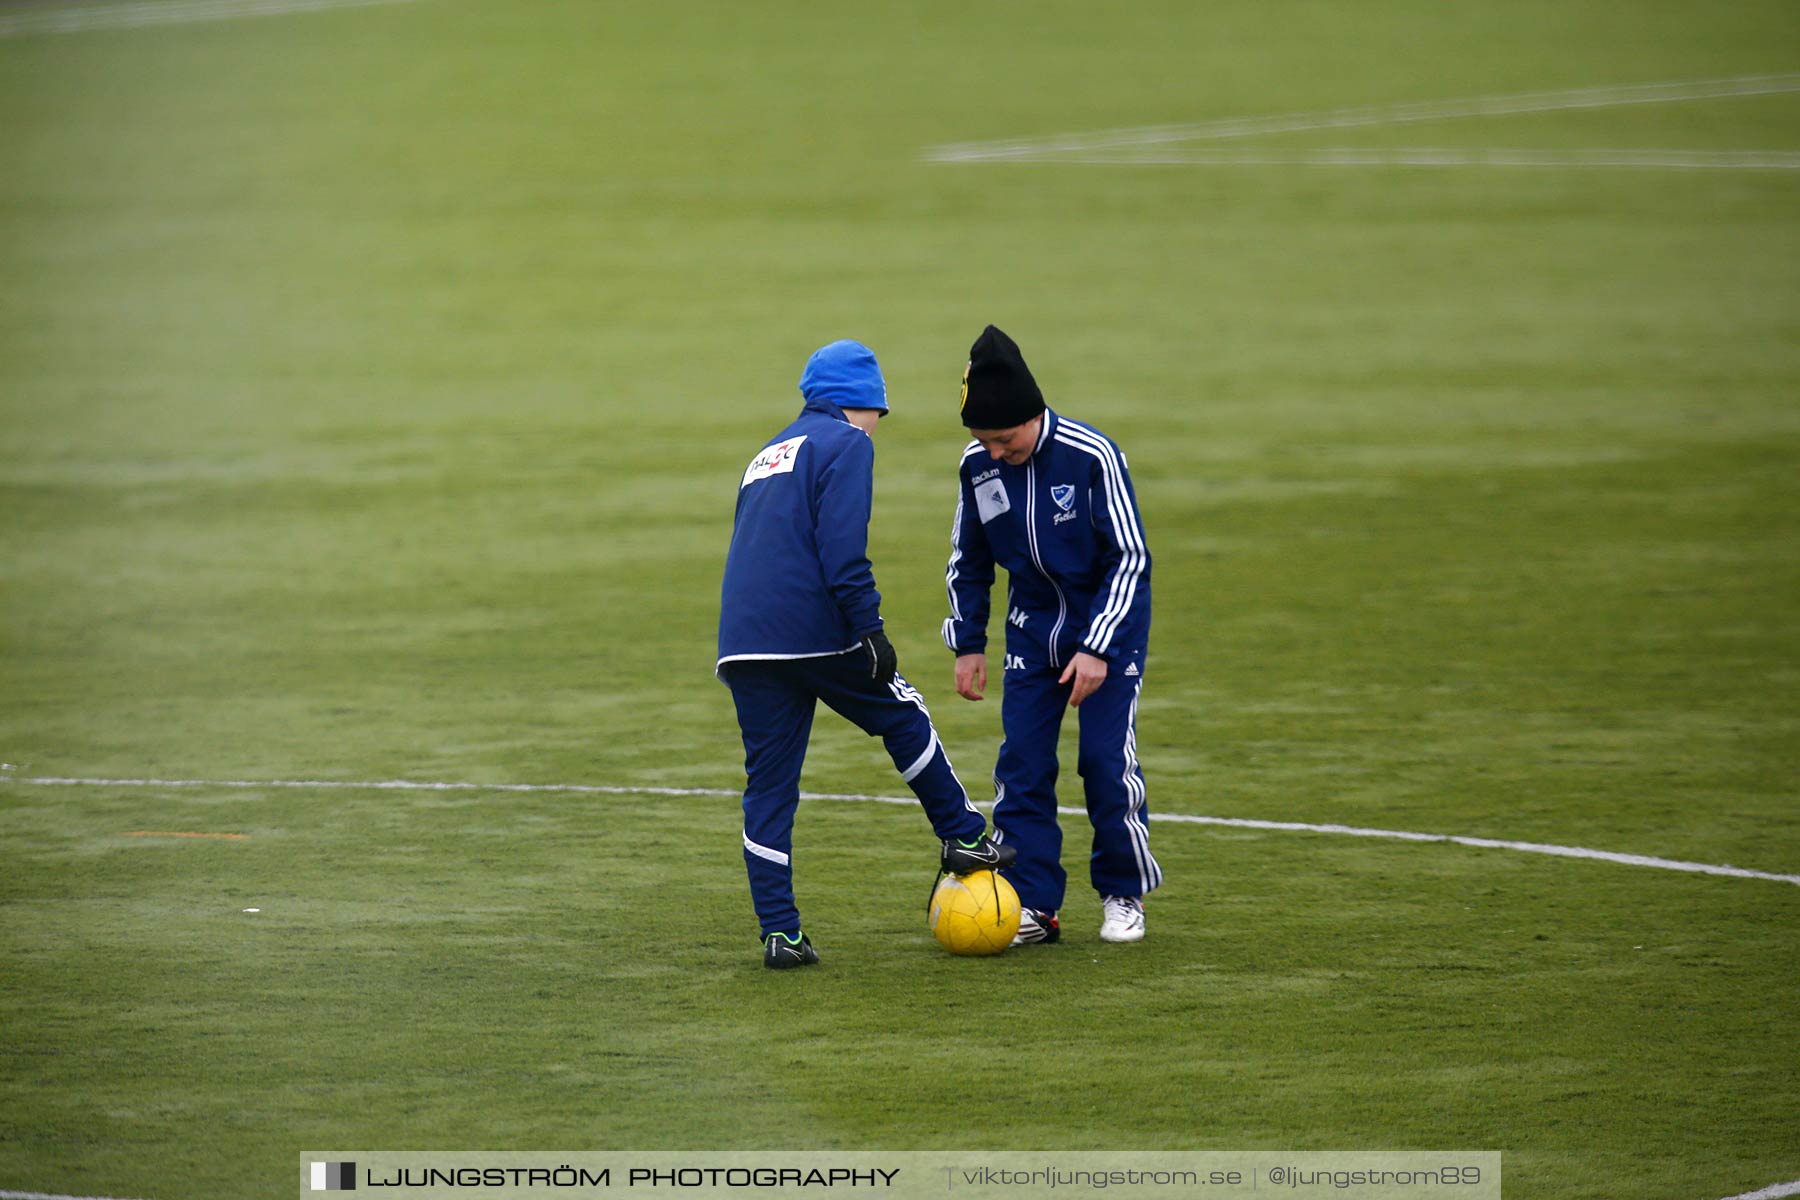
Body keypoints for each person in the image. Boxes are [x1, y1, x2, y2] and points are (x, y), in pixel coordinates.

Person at [718, 338, 1013, 970]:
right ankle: (964, 835)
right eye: (879, 408)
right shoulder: (846, 443)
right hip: (814, 630)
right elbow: (842, 546)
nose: (880, 421)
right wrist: (870, 628)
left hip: (743, 642)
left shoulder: (766, 452)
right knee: (902, 714)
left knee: (768, 787)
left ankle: (781, 934)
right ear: (861, 401)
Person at [942, 325, 1159, 945]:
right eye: (982, 439)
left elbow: (1131, 557)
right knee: (1023, 766)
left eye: (1003, 438)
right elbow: (969, 557)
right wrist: (968, 642)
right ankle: (1034, 904)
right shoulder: (978, 465)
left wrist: (1097, 647)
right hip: (1032, 633)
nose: (994, 451)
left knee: (1104, 765)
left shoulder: (1093, 457)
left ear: (1033, 415)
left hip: (1106, 632)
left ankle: (1123, 892)